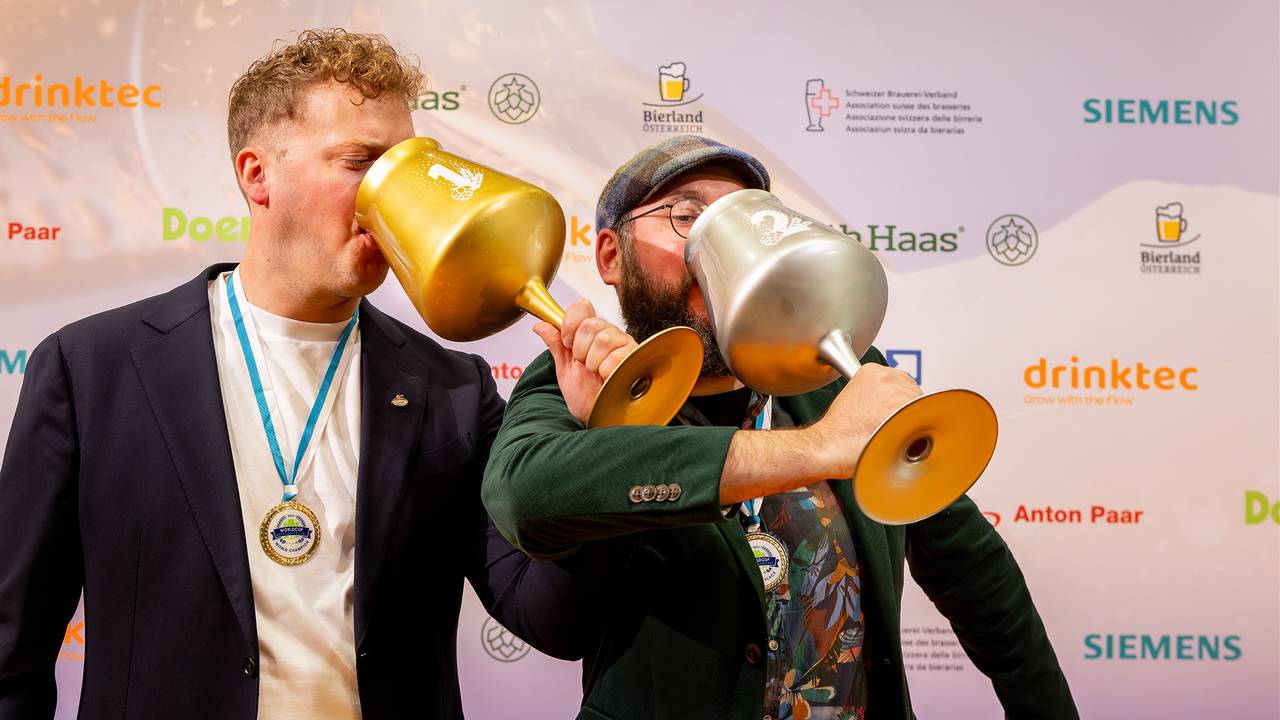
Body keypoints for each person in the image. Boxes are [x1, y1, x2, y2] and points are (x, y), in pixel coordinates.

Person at [0, 29, 596, 720]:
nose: (394, 198)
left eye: (409, 168)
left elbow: (552, 619)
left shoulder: (454, 389)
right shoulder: (92, 369)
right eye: (362, 163)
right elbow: (12, 650)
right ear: (258, 175)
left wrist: (591, 442)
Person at [482, 134, 1079, 720]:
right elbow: (523, 494)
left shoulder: (835, 370)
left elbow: (969, 563)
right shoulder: (582, 372)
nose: (722, 246)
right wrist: (820, 447)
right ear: (612, 256)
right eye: (687, 216)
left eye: (747, 220)